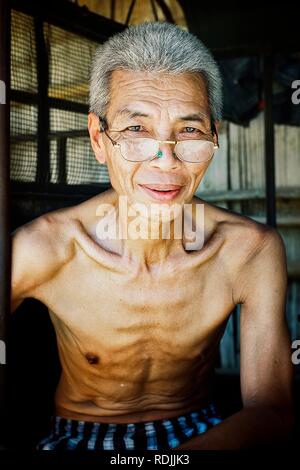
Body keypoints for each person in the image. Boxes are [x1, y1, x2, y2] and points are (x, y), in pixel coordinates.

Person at [11, 22, 293, 450]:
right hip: (80, 436)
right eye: (137, 130)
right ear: (98, 139)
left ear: (215, 135)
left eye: (189, 130)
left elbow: (272, 410)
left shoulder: (249, 252)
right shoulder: (43, 249)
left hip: (201, 431)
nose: (166, 161)